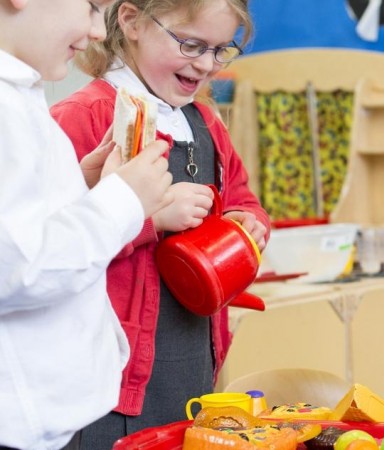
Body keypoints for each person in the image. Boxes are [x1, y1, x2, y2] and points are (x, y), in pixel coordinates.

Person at [49, 0, 267, 446]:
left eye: (222, 49)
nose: (207, 64)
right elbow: (54, 248)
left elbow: (242, 197)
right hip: (109, 383)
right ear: (130, 21)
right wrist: (149, 218)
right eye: (191, 44)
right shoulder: (85, 117)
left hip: (189, 361)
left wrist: (249, 223)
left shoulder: (205, 122)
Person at [0, 0, 173, 448]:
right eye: (93, 7)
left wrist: (85, 186)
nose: (99, 30)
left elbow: (21, 222)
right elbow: (19, 267)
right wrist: (122, 202)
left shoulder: (19, 98)